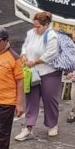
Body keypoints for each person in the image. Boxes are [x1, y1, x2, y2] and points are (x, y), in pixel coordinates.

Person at [16, 11, 60, 140]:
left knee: (49, 99)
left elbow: (50, 55)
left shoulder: (52, 36)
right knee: (31, 99)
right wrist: (24, 55)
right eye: (34, 25)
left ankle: (52, 124)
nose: (36, 28)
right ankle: (28, 126)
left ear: (45, 25)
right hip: (32, 71)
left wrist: (34, 62)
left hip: (49, 72)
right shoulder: (31, 33)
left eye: (38, 26)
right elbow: (25, 46)